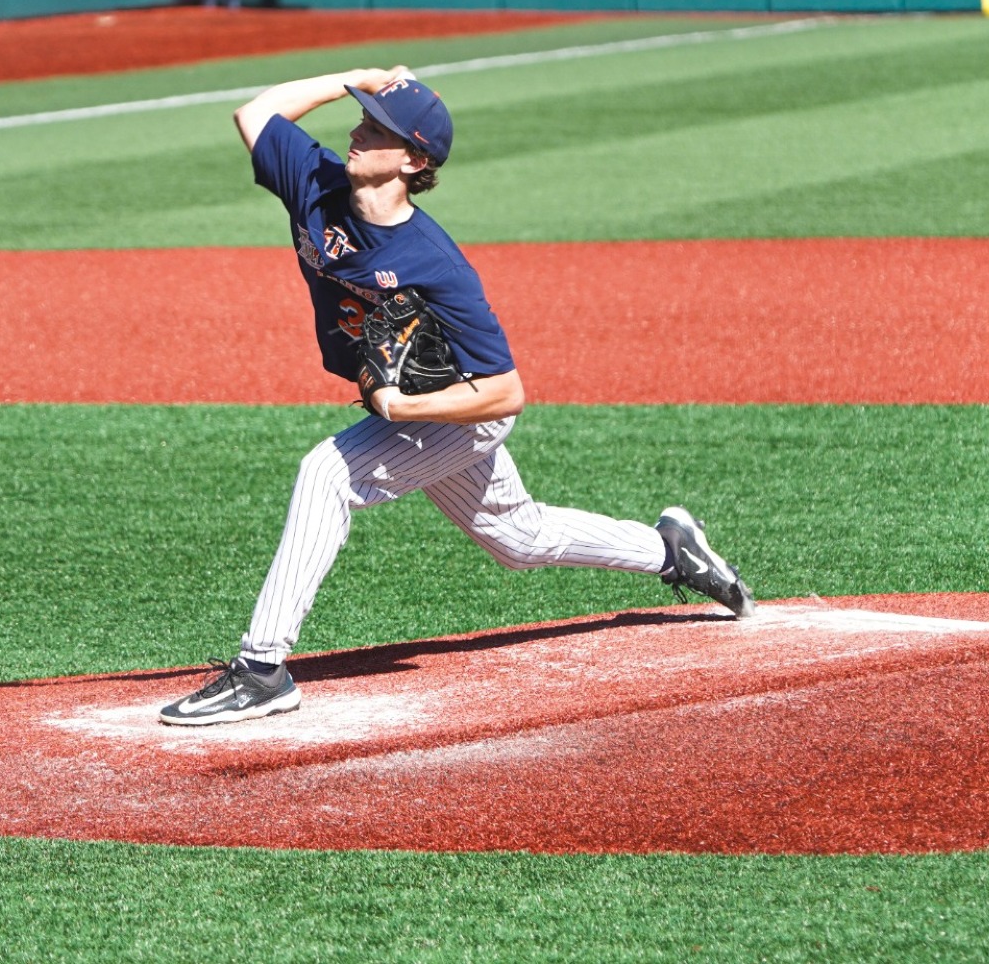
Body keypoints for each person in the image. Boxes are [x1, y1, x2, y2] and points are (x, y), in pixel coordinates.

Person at [157, 67, 754, 726]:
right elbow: (256, 114)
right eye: (362, 119)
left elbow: (505, 392)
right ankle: (671, 550)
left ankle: (262, 669)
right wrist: (359, 76)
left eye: (376, 129)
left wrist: (402, 408)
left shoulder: (437, 265)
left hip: (460, 413)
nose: (357, 132)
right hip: (419, 409)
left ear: (413, 161)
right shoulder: (316, 182)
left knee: (326, 473)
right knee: (520, 539)